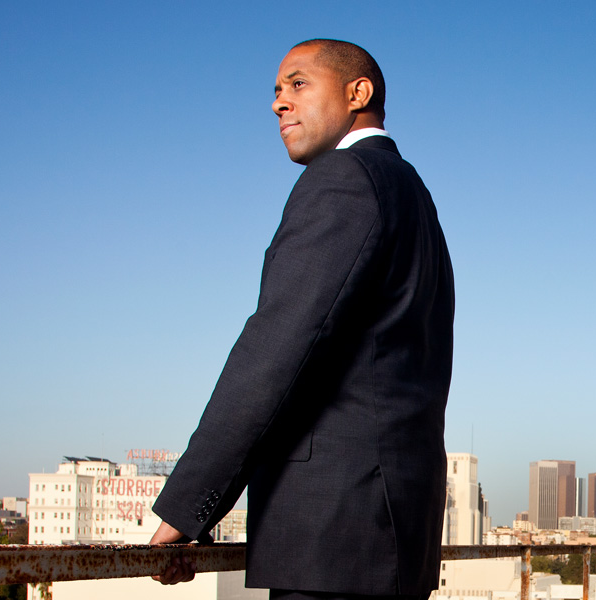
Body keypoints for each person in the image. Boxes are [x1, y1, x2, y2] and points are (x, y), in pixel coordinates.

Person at [150, 39, 455, 600]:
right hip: (393, 536)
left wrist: (185, 509)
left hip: (333, 537)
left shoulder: (344, 178)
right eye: (275, 91)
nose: (277, 104)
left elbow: (275, 352)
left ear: (357, 93)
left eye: (297, 84)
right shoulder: (414, 195)